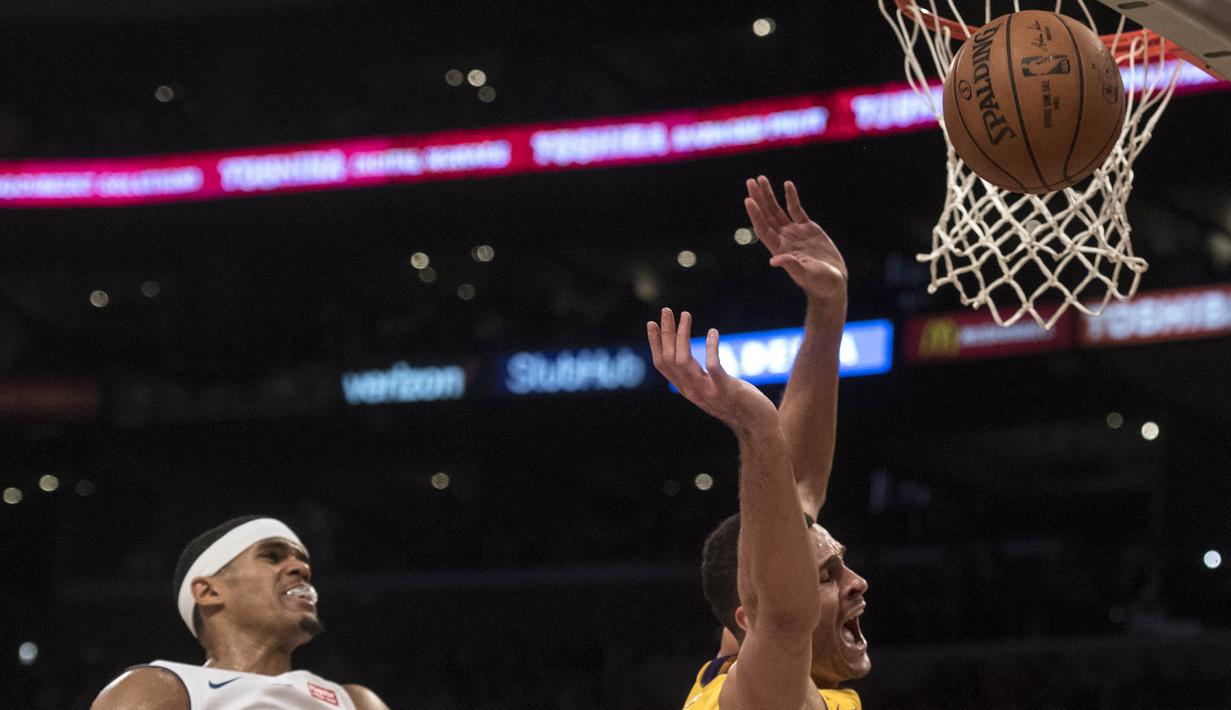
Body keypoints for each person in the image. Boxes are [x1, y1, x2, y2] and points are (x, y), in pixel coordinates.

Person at [647, 177, 869, 709]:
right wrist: (756, 427)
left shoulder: (737, 657)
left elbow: (796, 488)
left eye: (836, 566)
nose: (857, 582)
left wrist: (828, 306)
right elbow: (784, 618)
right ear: (750, 621)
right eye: (826, 575)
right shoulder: (760, 696)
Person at [92, 515, 389, 709]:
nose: (303, 569)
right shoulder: (158, 691)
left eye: (302, 561)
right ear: (209, 592)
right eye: (272, 556)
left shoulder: (355, 702)